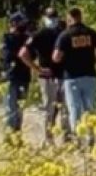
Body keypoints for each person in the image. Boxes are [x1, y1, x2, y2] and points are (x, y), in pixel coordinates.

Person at [52, 7, 96, 145]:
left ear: (69, 18)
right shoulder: (91, 33)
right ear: (80, 17)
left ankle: (78, 138)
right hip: (89, 75)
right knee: (89, 107)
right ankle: (91, 137)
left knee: (74, 109)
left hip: (71, 77)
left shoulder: (65, 35)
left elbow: (56, 57)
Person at [19, 8, 68, 143]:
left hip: (61, 75)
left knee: (63, 109)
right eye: (50, 17)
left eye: (53, 17)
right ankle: (50, 138)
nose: (52, 20)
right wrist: (37, 69)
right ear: (44, 18)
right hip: (49, 76)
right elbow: (23, 53)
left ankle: (65, 139)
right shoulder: (40, 34)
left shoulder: (62, 33)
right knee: (51, 109)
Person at [0, 12, 32, 139]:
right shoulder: (6, 38)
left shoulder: (27, 38)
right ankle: (9, 138)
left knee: (20, 110)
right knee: (10, 109)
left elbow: (33, 54)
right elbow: (6, 56)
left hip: (24, 77)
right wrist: (22, 55)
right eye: (20, 23)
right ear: (13, 23)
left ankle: (17, 137)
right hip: (10, 77)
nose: (23, 26)